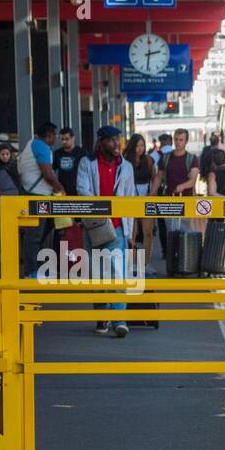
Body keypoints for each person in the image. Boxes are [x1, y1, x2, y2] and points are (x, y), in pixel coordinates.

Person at [76, 125, 136, 338]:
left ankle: (120, 320)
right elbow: (83, 191)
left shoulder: (126, 167)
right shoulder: (87, 163)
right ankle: (102, 316)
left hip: (118, 228)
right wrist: (102, 212)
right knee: (96, 275)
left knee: (117, 273)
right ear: (101, 142)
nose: (116, 144)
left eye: (118, 139)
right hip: (95, 227)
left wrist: (129, 233)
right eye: (111, 140)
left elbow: (130, 199)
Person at [18, 121, 64, 276]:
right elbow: (48, 173)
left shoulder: (30, 144)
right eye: (55, 135)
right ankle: (31, 271)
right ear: (49, 135)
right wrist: (59, 188)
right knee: (34, 235)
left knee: (39, 231)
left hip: (34, 193)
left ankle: (35, 267)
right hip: (38, 196)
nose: (56, 139)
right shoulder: (41, 147)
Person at [124, 133, 157, 269]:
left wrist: (152, 193)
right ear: (132, 146)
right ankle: (131, 264)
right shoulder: (125, 161)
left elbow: (155, 178)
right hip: (131, 199)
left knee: (147, 232)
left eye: (142, 145)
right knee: (132, 233)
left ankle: (146, 263)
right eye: (137, 146)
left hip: (147, 198)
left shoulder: (149, 160)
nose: (140, 149)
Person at [0, 142, 21, 263]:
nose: (5, 156)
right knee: (3, 229)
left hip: (13, 202)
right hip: (1, 205)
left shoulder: (15, 167)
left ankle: (15, 254)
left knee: (16, 229)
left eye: (7, 154)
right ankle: (2, 253)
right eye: (3, 154)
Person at [52, 127, 82, 196]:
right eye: (62, 139)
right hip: (62, 192)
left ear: (73, 138)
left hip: (78, 191)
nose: (64, 142)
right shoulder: (57, 153)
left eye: (67, 139)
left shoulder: (81, 153)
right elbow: (51, 171)